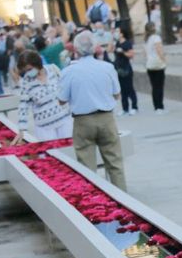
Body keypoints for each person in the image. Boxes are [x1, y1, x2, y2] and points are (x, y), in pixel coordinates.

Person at [58, 30, 127, 191]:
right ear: (95, 47)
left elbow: (61, 100)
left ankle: (96, 206)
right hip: (106, 118)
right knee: (115, 163)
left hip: (83, 121)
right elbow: (117, 94)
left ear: (75, 50)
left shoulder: (68, 71)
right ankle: (124, 203)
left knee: (87, 169)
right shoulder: (107, 67)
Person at [11, 50, 72, 144]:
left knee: (69, 152)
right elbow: (23, 106)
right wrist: (22, 129)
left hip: (64, 121)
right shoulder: (26, 81)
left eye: (29, 69)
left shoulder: (53, 69)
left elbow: (65, 89)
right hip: (45, 128)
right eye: (25, 70)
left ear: (37, 63)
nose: (28, 72)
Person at [143, 22, 168, 113]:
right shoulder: (156, 38)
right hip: (158, 64)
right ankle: (160, 107)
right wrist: (164, 60)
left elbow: (145, 53)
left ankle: (156, 106)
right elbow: (159, 50)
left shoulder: (146, 39)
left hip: (149, 64)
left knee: (154, 86)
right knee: (159, 86)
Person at [113, 27, 138, 116]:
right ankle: (125, 108)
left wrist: (123, 52)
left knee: (129, 88)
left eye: (117, 31)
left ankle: (134, 107)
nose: (116, 33)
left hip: (126, 69)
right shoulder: (117, 43)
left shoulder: (127, 43)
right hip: (118, 69)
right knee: (122, 90)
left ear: (122, 33)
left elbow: (131, 54)